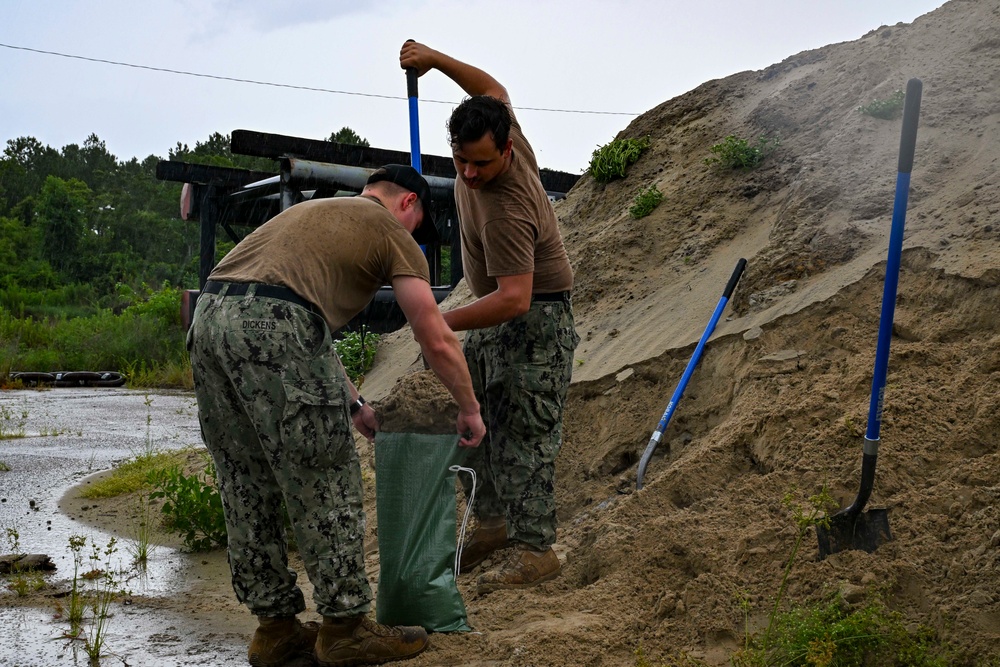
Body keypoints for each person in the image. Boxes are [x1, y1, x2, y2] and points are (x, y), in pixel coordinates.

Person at [187, 164, 486, 667]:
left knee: (244, 482)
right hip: (273, 325)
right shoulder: (390, 229)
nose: (415, 240)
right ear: (408, 203)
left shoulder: (310, 214)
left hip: (210, 318)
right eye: (418, 229)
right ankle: (345, 628)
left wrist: (352, 403)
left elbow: (298, 317)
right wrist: (469, 407)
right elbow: (432, 335)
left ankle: (275, 629)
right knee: (324, 480)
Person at [400, 42, 580, 595]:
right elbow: (490, 89)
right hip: (495, 320)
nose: (470, 174)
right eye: (461, 162)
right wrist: (435, 59)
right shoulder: (498, 125)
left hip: (535, 322)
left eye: (482, 162)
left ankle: (536, 549)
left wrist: (441, 320)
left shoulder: (509, 205)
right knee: (479, 422)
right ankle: (495, 524)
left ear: (508, 149)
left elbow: (515, 299)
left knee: (527, 432)